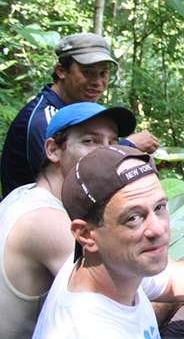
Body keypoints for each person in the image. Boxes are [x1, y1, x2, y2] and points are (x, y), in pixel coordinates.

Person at [33, 145, 184, 338]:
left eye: (159, 207)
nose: (158, 229)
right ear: (86, 234)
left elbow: (171, 280)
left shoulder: (111, 267)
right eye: (133, 218)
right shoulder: (85, 329)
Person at [0, 102, 135, 337]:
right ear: (53, 150)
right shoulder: (46, 221)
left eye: (112, 142)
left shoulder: (26, 193)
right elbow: (127, 297)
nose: (106, 153)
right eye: (90, 141)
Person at [1, 33, 159, 196]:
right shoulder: (44, 119)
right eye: (87, 72)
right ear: (61, 71)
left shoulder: (82, 110)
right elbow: (75, 181)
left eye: (103, 73)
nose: (97, 82)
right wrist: (128, 147)